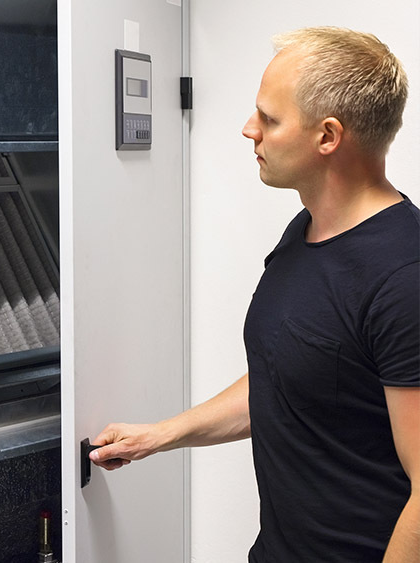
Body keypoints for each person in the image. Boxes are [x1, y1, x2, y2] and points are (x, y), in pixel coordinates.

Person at [88, 27, 418, 562]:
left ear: (327, 136)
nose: (249, 130)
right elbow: (289, 376)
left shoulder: (404, 277)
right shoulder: (304, 233)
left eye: (269, 118)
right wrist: (160, 436)